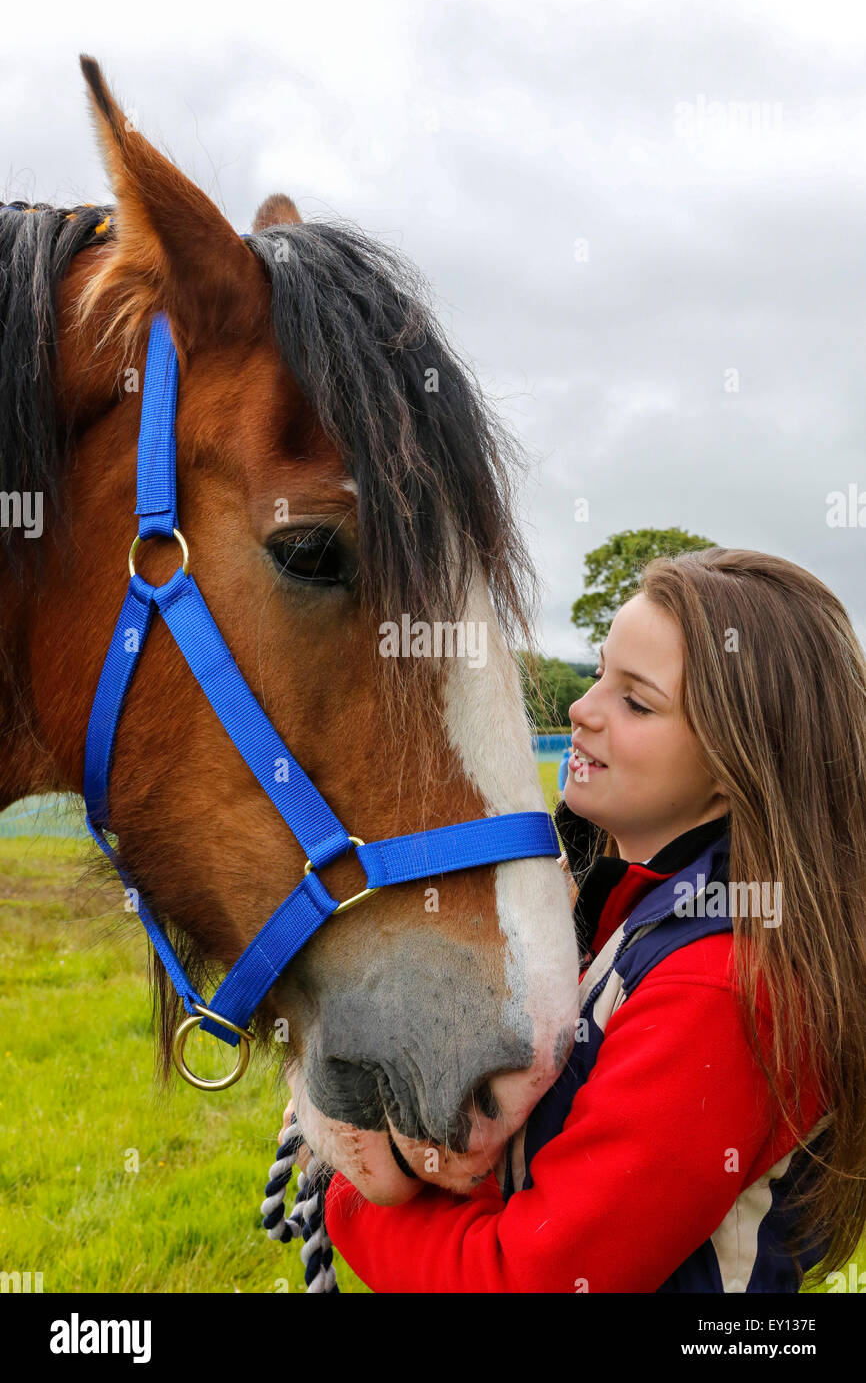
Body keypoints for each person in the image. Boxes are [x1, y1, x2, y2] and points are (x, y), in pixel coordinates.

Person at [283, 547, 866, 1293]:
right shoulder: (626, 911)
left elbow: (528, 1280)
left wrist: (345, 1186)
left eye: (636, 701)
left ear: (734, 766)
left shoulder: (718, 990)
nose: (579, 710)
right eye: (598, 674)